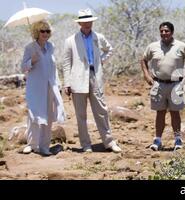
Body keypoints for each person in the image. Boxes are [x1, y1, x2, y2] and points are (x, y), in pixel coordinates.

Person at [62, 9, 121, 153]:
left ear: (92, 21)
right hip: (77, 79)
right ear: (79, 23)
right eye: (84, 21)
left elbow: (110, 50)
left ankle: (109, 142)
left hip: (95, 75)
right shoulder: (71, 40)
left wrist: (100, 60)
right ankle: (86, 144)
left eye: (90, 20)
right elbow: (66, 62)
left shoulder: (98, 37)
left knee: (101, 110)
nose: (87, 23)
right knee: (81, 114)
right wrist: (67, 83)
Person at [140, 22, 185, 151]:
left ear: (172, 32)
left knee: (175, 113)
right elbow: (143, 60)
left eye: (166, 31)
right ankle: (157, 140)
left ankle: (177, 140)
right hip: (158, 84)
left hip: (176, 84)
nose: (164, 33)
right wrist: (147, 76)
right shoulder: (153, 47)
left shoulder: (181, 46)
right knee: (160, 113)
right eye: (162, 31)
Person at [21, 20, 65, 156]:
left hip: (50, 86)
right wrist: (31, 61)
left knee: (49, 116)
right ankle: (32, 144)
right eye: (42, 31)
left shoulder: (51, 46)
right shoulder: (30, 48)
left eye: (47, 31)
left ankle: (44, 146)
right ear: (37, 32)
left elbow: (53, 67)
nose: (45, 33)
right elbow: (23, 68)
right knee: (34, 115)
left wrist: (58, 83)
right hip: (35, 86)